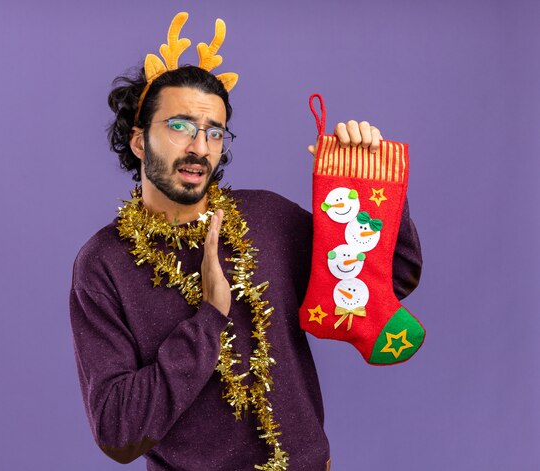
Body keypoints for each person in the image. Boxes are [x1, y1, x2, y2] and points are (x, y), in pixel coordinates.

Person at [70, 13, 421, 471]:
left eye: (214, 132)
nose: (200, 146)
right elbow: (119, 432)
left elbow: (394, 276)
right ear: (139, 141)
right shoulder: (104, 265)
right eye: (180, 126)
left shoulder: (267, 219)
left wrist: (366, 186)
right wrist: (209, 319)